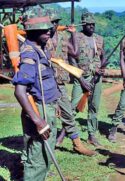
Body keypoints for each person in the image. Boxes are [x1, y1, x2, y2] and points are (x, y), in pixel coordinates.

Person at [12, 8, 61, 180]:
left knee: (44, 158)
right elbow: (19, 91)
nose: (49, 31)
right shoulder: (30, 55)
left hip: (47, 108)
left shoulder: (40, 49)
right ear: (33, 31)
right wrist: (38, 121)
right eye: (44, 29)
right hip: (39, 111)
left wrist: (54, 104)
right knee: (38, 160)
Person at [46, 9, 97, 156]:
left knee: (68, 114)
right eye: (52, 22)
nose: (54, 25)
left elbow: (74, 52)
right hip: (46, 83)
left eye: (56, 22)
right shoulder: (43, 37)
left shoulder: (63, 36)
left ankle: (78, 145)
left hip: (60, 83)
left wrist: (73, 34)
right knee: (47, 116)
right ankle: (47, 148)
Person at [70, 12, 106, 148]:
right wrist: (80, 78)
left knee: (94, 107)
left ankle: (91, 136)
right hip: (81, 76)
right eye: (88, 24)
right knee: (73, 107)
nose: (91, 26)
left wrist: (102, 68)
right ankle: (65, 133)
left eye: (93, 24)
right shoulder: (76, 37)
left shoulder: (99, 39)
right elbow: (72, 58)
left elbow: (103, 56)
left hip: (96, 77)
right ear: (83, 25)